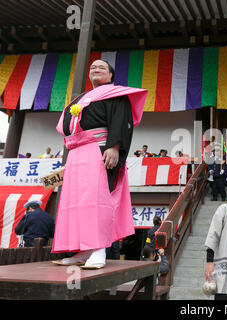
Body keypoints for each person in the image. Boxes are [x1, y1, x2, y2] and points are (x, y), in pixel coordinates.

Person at [51, 59, 147, 269]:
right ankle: (83, 249)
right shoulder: (80, 99)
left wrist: (114, 147)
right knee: (75, 202)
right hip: (77, 153)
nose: (95, 69)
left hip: (100, 149)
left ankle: (98, 249)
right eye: (92, 67)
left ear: (111, 76)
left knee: (98, 198)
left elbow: (122, 121)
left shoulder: (116, 95)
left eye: (101, 67)